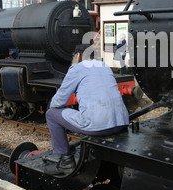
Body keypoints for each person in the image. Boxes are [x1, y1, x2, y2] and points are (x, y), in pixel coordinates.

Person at [44, 44, 129, 176]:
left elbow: (58, 101)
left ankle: (66, 162)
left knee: (51, 114)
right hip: (121, 122)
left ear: (77, 56)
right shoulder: (104, 66)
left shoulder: (77, 69)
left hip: (99, 126)